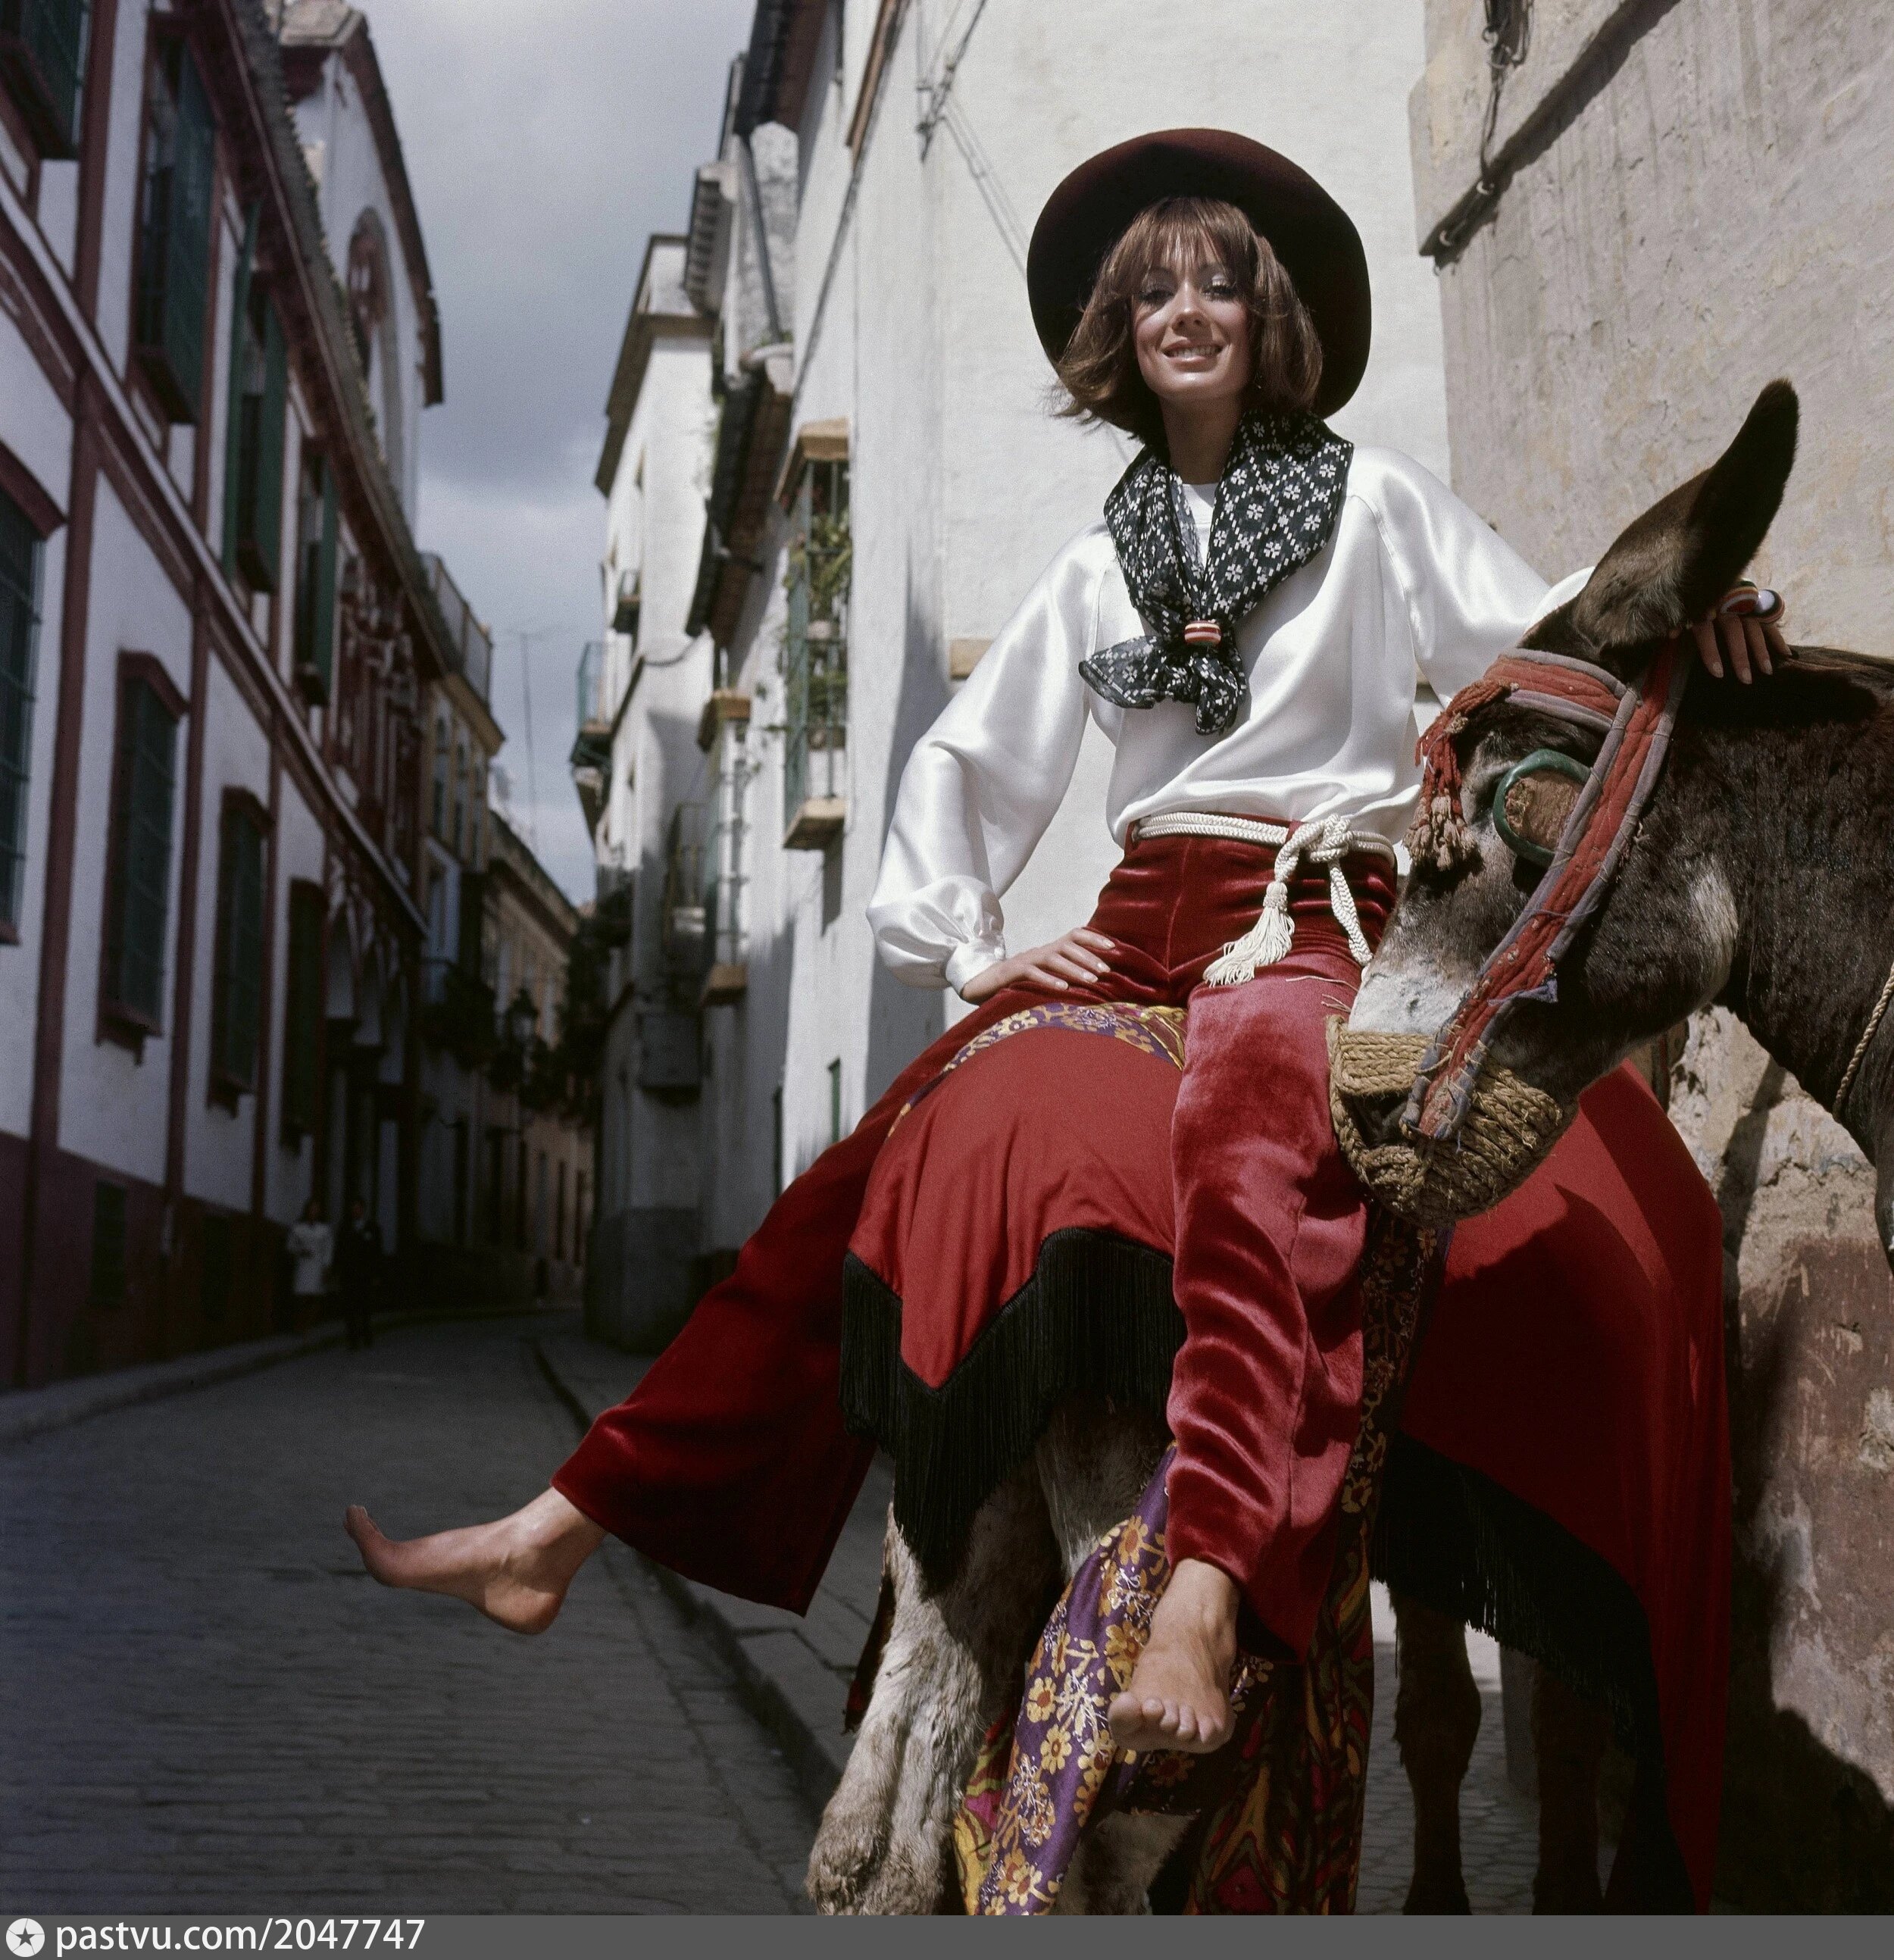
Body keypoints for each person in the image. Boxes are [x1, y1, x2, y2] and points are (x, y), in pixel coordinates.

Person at [345, 131, 1780, 1752]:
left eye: (1216, 281)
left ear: (1264, 317)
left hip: (1306, 912)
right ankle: (561, 1528)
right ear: (1118, 327)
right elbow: (971, 760)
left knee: (1254, 1127)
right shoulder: (1098, 555)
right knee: (853, 1183)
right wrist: (966, 946)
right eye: (1151, 285)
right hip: (1133, 916)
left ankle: (1210, 1580)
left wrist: (1692, 602)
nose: (1184, 308)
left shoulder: (1374, 502)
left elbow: (1539, 629)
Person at [336, 1198, 383, 1351]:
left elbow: (377, 1252)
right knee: (350, 1306)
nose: (356, 1211)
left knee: (365, 1306)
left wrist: (376, 1274)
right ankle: (353, 1339)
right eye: (354, 1208)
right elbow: (340, 1251)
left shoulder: (372, 1228)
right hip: (349, 1273)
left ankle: (367, 1334)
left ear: (363, 1210)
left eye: (358, 1208)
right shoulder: (345, 1228)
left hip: (366, 1274)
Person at [285, 1199, 332, 1331]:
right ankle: (300, 1325)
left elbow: (328, 1249)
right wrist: (300, 1251)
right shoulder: (298, 1228)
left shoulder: (324, 1229)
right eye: (312, 1209)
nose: (314, 1212)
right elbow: (290, 1246)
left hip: (318, 1265)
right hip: (303, 1265)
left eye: (316, 1209)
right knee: (301, 1297)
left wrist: (327, 1267)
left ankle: (309, 1325)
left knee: (315, 1297)